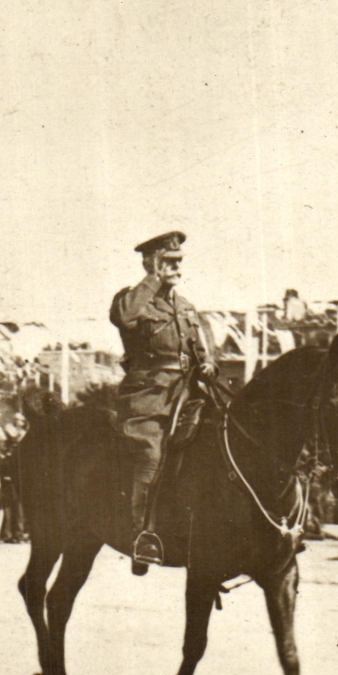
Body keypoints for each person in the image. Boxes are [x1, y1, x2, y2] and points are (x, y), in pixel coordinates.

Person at [109, 230, 214, 573]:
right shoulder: (132, 300)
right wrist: (152, 279)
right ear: (152, 264)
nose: (176, 267)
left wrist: (208, 362)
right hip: (149, 395)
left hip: (189, 392)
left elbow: (201, 347)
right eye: (168, 262)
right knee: (150, 454)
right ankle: (142, 536)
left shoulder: (186, 308)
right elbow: (124, 318)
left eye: (179, 261)